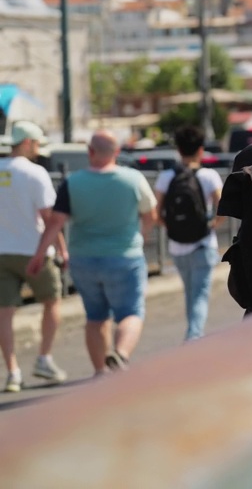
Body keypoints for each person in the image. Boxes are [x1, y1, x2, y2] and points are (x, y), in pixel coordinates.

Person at [33, 132, 157, 375]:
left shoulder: (73, 182)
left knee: (95, 316)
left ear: (90, 151)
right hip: (125, 256)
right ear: (117, 152)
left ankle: (100, 372)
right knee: (131, 313)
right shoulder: (133, 179)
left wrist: (39, 255)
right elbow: (150, 215)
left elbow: (55, 222)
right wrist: (142, 236)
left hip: (83, 258)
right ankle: (120, 353)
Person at [0, 121, 68, 391]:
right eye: (38, 144)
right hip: (34, 250)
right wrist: (61, 249)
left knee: (5, 313)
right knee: (52, 302)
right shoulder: (35, 173)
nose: (39, 150)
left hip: (3, 251)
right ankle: (44, 358)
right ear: (27, 142)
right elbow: (50, 219)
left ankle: (12, 371)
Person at [154, 126, 223, 341]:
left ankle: (193, 332)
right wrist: (212, 224)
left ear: (179, 150)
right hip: (203, 244)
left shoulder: (165, 177)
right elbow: (223, 208)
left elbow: (157, 213)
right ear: (201, 150)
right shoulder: (209, 176)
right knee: (200, 295)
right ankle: (194, 337)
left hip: (177, 246)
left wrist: (171, 227)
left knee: (190, 293)